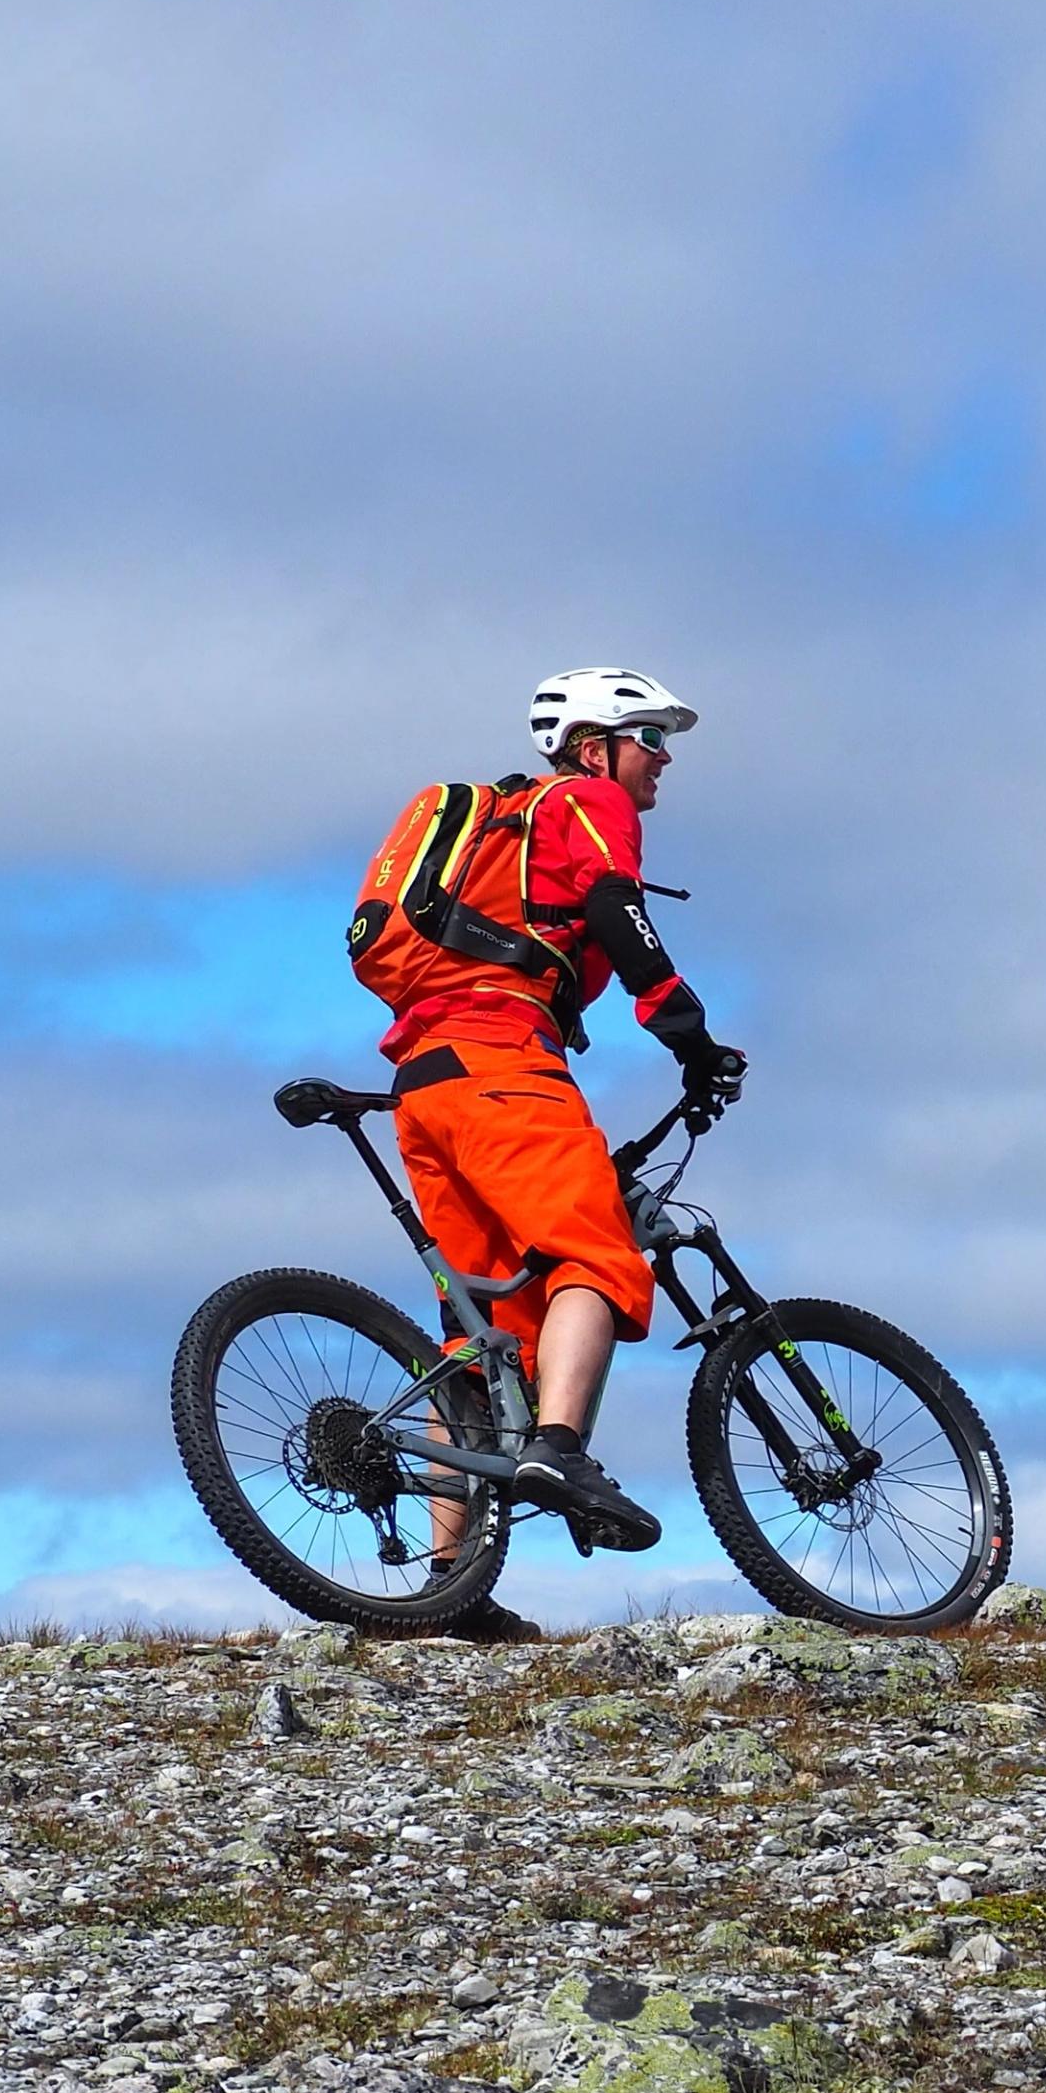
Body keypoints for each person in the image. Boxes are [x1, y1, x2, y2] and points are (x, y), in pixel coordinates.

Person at [375, 665, 748, 1572]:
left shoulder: (502, 829)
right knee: (597, 1255)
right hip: (504, 1066)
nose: (663, 759)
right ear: (593, 748)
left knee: (481, 1342)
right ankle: (560, 1450)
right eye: (649, 739)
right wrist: (690, 1035)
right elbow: (617, 908)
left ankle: (450, 1579)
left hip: (424, 1086)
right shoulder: (586, 800)